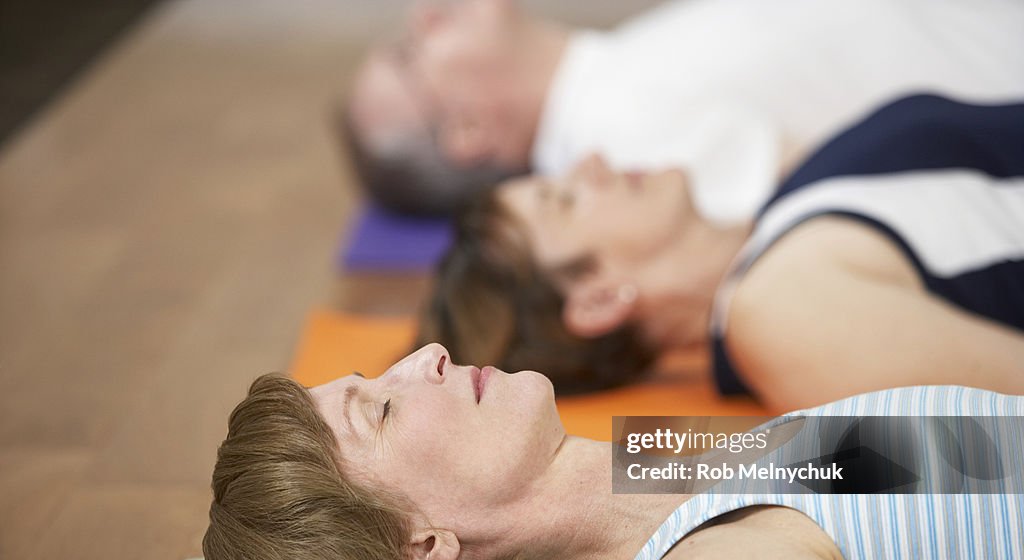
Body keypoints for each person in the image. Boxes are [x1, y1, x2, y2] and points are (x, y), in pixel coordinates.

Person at [158, 343, 1024, 560]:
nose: (425, 354)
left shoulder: (662, 457)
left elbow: (986, 449)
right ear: (422, 545)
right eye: (380, 408)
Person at [415, 94, 1024, 410]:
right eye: (565, 199)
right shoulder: (780, 312)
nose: (593, 162)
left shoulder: (782, 211)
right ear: (599, 299)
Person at [341, 0, 1024, 217]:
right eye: (411, 50)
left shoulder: (606, 78)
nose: (425, 14)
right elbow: (834, 201)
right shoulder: (625, 153)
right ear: (466, 130)